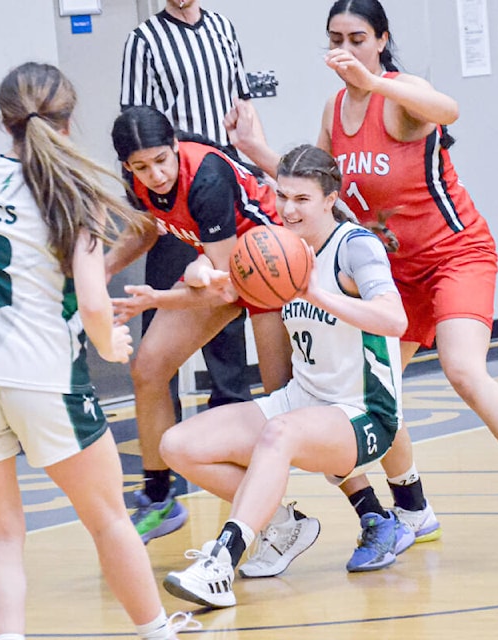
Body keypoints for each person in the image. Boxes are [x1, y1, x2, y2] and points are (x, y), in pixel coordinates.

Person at [225, 0, 498, 567]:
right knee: (371, 395)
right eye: (336, 37)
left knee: (463, 369)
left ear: (381, 40)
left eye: (358, 37)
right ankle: (413, 509)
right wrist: (259, 153)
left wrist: (377, 81)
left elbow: (448, 109)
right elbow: (325, 192)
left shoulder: (398, 98)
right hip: (394, 272)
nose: (345, 48)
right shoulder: (334, 108)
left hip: (455, 254)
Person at [0, 62, 196, 640]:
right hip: (41, 370)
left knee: (0, 535)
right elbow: (97, 304)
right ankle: (156, 632)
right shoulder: (73, 188)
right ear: (69, 121)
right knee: (109, 521)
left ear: (6, 122)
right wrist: (109, 340)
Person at [158, 144, 408, 609]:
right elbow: (219, 272)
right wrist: (184, 281)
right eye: (283, 197)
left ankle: (219, 564)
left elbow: (394, 321)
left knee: (279, 433)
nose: (288, 210)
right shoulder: (277, 246)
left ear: (329, 198)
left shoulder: (356, 247)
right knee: (177, 446)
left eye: (302, 200)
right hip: (304, 400)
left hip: (364, 415)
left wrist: (317, 293)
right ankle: (283, 527)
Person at [106, 105, 314, 548]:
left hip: (272, 260)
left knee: (291, 404)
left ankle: (376, 507)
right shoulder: (140, 179)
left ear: (175, 147)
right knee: (147, 371)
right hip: (229, 263)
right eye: (141, 167)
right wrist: (101, 269)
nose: (155, 175)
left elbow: (225, 287)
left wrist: (158, 298)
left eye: (161, 161)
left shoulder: (206, 176)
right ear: (127, 166)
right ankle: (160, 498)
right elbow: (148, 229)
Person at [119, 0, 254, 435]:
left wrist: (253, 162)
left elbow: (243, 110)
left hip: (219, 179)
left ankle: (229, 415)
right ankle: (164, 428)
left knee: (224, 301)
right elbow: (139, 126)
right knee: (164, 306)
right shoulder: (144, 41)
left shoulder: (224, 28)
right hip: (172, 185)